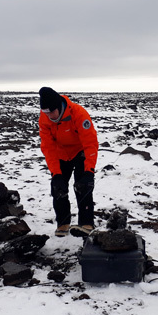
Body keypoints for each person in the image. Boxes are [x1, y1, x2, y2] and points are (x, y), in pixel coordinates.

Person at [38, 87, 99, 237]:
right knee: (58, 187)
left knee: (83, 186)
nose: (49, 116)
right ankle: (63, 223)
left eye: (51, 112)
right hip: (60, 154)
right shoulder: (44, 118)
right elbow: (47, 147)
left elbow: (90, 143)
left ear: (59, 106)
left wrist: (89, 170)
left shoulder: (78, 113)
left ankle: (86, 223)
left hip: (80, 152)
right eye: (46, 112)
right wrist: (56, 173)